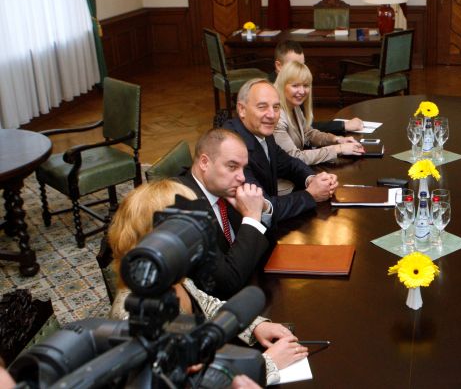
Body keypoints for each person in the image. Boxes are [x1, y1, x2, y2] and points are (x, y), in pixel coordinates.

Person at [107, 180, 308, 386]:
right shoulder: (133, 317)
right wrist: (266, 364)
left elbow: (208, 306)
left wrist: (255, 326)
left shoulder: (173, 277)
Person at [223, 78, 339, 224]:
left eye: (276, 107)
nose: (272, 115)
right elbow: (262, 207)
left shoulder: (261, 131)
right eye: (262, 107)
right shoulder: (232, 148)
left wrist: (313, 179)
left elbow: (288, 164)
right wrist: (310, 195)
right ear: (242, 109)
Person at [174, 128, 270, 299]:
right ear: (204, 163)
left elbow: (262, 245)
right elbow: (226, 283)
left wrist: (260, 210)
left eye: (243, 168)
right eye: (232, 166)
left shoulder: (222, 189)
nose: (242, 177)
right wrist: (251, 217)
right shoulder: (185, 208)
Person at [274, 61, 364, 164]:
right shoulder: (276, 117)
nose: (302, 91)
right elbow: (295, 158)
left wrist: (337, 139)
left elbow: (308, 134)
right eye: (295, 86)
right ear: (282, 85)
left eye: (306, 85)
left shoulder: (294, 106)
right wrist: (338, 149)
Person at [269, 40, 364, 134]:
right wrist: (342, 125)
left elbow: (304, 127)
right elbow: (305, 129)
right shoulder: (270, 94)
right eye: (295, 65)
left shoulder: (298, 86)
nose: (301, 70)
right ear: (279, 66)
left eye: (302, 65)